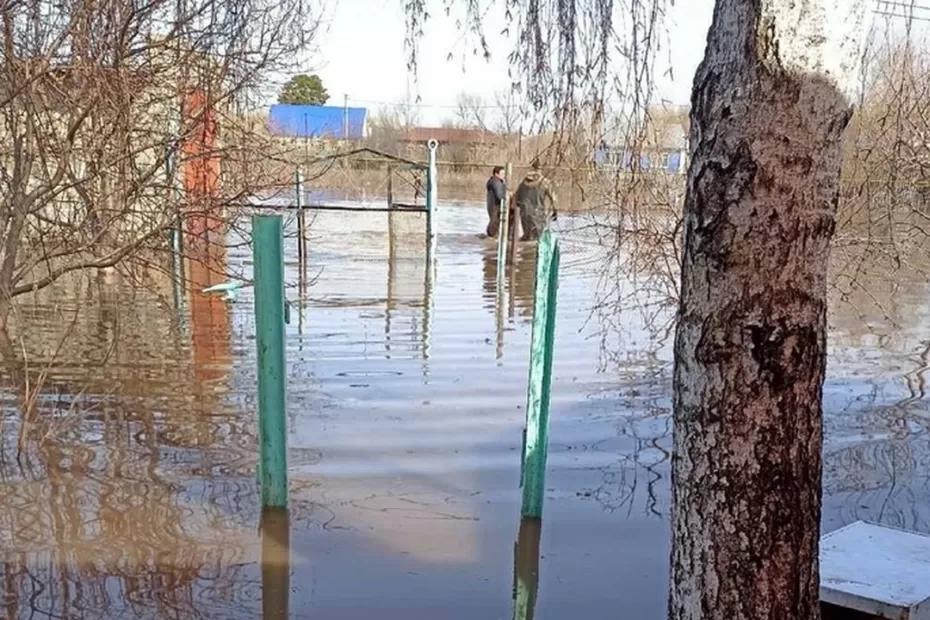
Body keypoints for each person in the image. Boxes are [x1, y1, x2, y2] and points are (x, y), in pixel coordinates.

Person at [514, 159, 557, 241]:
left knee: (527, 237)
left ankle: (524, 252)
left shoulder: (523, 182)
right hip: (538, 214)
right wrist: (555, 211)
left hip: (525, 213)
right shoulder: (544, 182)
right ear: (540, 169)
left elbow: (517, 197)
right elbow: (553, 198)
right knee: (538, 239)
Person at [485, 166, 507, 237]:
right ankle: (492, 237)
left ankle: (492, 236)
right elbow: (500, 195)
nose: (504, 175)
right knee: (494, 222)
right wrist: (506, 197)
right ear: (496, 174)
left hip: (492, 204)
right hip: (495, 205)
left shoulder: (493, 181)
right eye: (502, 173)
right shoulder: (496, 182)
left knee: (494, 222)